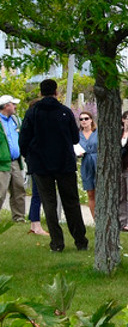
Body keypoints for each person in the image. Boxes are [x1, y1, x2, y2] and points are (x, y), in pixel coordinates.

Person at [18, 79, 88, 253]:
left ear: (40, 93)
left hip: (41, 164)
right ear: (56, 92)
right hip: (64, 162)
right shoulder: (64, 112)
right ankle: (80, 240)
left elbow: (24, 139)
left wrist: (30, 156)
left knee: (48, 203)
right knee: (71, 202)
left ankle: (57, 242)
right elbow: (75, 138)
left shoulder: (33, 112)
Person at [0, 94, 26, 224]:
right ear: (6, 106)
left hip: (16, 161)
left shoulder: (16, 120)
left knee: (19, 189)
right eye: (13, 104)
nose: (15, 107)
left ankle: (19, 217)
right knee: (1, 191)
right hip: (2, 163)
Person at [77, 109, 99, 218]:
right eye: (81, 119)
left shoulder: (97, 133)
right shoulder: (78, 135)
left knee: (100, 191)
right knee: (90, 193)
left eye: (86, 118)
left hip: (97, 160)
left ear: (91, 120)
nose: (84, 121)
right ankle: (95, 219)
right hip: (86, 163)